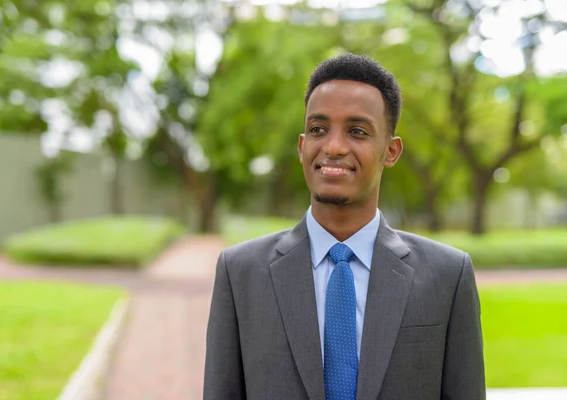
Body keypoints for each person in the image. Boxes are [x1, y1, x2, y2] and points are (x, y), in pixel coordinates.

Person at [203, 53, 485, 400]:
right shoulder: (241, 272)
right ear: (302, 146)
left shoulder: (447, 275)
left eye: (357, 131)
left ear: (391, 151)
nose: (333, 147)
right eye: (318, 129)